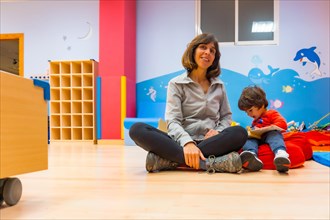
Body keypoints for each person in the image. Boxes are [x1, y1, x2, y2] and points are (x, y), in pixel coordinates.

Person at [129, 33, 248, 173]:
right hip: (179, 142)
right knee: (137, 129)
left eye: (212, 50)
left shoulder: (219, 86)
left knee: (240, 132)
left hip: (210, 142)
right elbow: (173, 121)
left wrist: (218, 131)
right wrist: (188, 143)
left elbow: (226, 117)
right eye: (203, 47)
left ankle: (170, 161)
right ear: (193, 51)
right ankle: (209, 164)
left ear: (215, 58)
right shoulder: (176, 84)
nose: (207, 52)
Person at [238, 85, 291, 172]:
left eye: (250, 110)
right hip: (259, 139)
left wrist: (267, 128)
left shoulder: (272, 113)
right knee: (249, 139)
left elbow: (283, 124)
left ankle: (280, 154)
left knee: (274, 134)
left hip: (270, 135)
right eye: (246, 112)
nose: (248, 114)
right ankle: (251, 155)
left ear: (261, 105)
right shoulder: (255, 121)